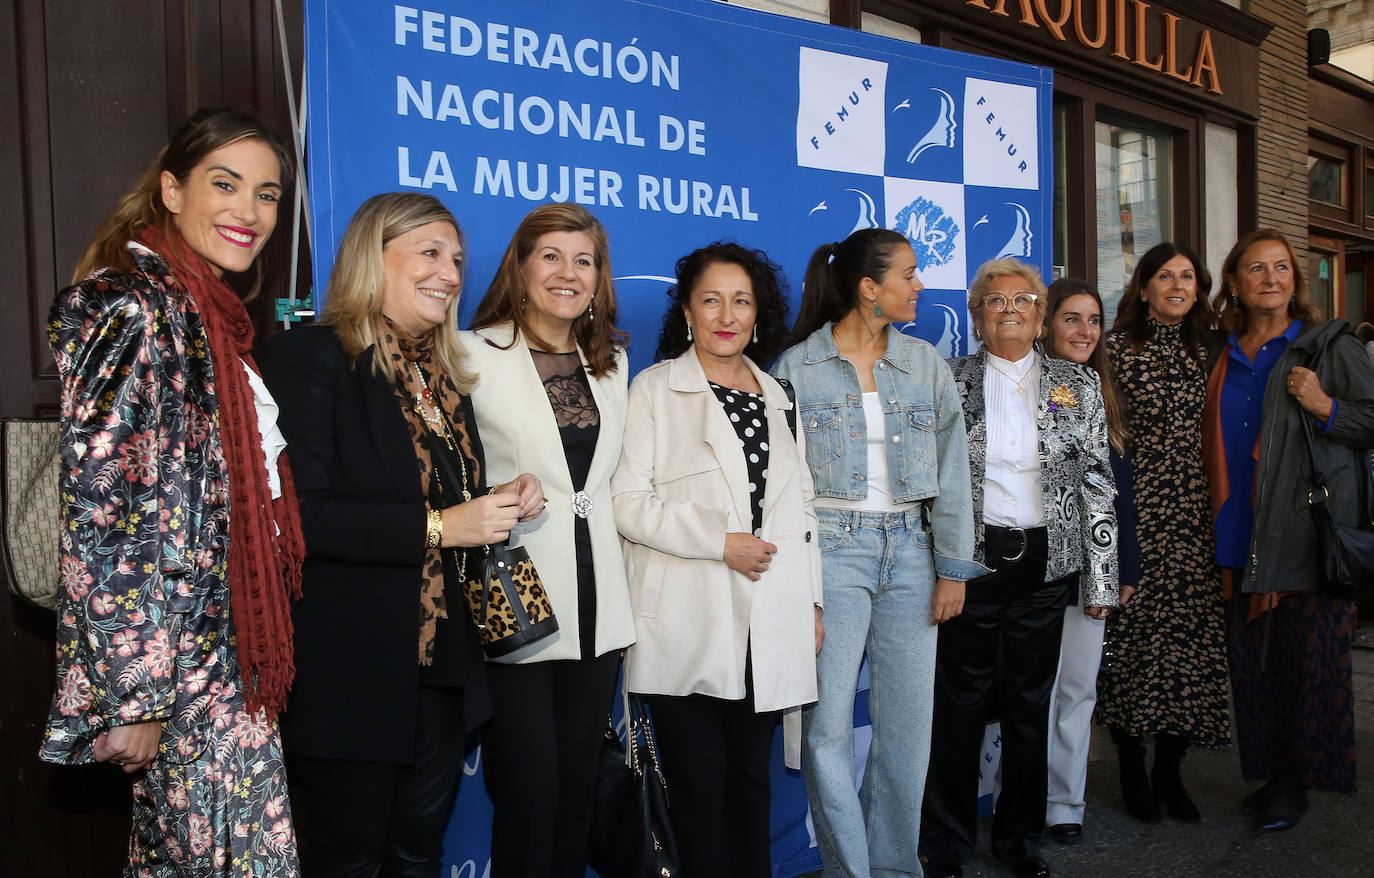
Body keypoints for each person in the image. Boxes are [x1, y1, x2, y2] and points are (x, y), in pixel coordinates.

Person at [40, 107, 303, 876]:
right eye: (225, 185)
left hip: (225, 662)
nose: (248, 212)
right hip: (176, 669)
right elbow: (104, 516)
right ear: (172, 191)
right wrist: (139, 695)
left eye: (266, 193)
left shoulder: (211, 317)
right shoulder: (129, 307)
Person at [260, 193, 543, 876]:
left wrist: (496, 501)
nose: (449, 273)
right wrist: (447, 525)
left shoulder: (441, 375)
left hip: (443, 668)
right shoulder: (311, 357)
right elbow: (301, 518)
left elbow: (437, 503)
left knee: (417, 856)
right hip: (352, 671)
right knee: (348, 861)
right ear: (371, 257)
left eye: (456, 259)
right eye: (429, 253)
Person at [772, 228, 985, 878]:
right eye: (910, 273)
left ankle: (895, 868)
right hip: (830, 551)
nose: (920, 284)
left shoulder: (925, 365)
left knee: (906, 732)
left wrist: (953, 567)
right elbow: (780, 488)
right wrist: (798, 587)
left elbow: (953, 475)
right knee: (826, 730)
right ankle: (850, 871)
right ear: (871, 289)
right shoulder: (796, 367)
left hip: (913, 554)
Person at [611, 241, 823, 877]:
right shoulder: (652, 389)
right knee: (699, 795)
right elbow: (627, 503)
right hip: (688, 618)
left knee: (748, 784)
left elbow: (803, 507)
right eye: (711, 300)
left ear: (759, 314)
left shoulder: (778, 394)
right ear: (686, 311)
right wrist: (718, 541)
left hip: (770, 621)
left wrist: (810, 602)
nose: (726, 315)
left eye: (741, 300)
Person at [921, 260, 1117, 878]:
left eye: (1023, 300)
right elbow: (930, 478)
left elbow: (1096, 482)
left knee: (1030, 709)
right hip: (970, 565)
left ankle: (1019, 841)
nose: (1009, 308)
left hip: (1044, 564)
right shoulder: (949, 380)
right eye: (994, 301)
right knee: (959, 709)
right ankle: (948, 844)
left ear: (1039, 315)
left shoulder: (1074, 384)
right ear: (977, 317)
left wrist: (1101, 578)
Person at [461, 203, 636, 878]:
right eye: (552, 257)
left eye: (584, 260)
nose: (569, 273)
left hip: (601, 609)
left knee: (577, 800)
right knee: (530, 796)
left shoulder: (613, 363)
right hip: (518, 604)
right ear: (521, 266)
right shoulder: (473, 353)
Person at [1203, 229, 1374, 831]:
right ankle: (1271, 772)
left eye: (1281, 267)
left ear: (1295, 280)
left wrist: (1327, 407)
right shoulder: (1220, 352)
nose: (1271, 278)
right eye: (1256, 269)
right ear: (1235, 284)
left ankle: (1294, 782)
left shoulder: (1329, 345)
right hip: (1236, 529)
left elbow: (1372, 420)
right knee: (1252, 666)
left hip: (1301, 533)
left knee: (1306, 666)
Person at [1095, 242, 1230, 824]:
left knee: (1190, 649)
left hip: (1195, 520)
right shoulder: (1117, 350)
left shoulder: (1211, 349)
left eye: (1189, 277)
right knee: (1134, 649)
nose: (1179, 286)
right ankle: (1130, 767)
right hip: (1139, 515)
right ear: (1143, 285)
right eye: (1165, 277)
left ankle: (1170, 773)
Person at [1040, 278, 1138, 846]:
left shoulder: (1105, 390)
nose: (1084, 331)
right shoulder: (1020, 387)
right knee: (1027, 688)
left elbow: (1120, 490)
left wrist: (1127, 568)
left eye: (1094, 320)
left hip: (1091, 566)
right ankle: (1018, 793)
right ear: (1048, 324)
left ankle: (1064, 802)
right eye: (1071, 318)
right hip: (1031, 565)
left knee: (1077, 687)